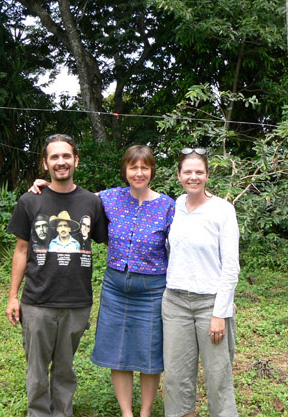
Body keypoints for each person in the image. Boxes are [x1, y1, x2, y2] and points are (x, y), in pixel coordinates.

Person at [30, 145, 175, 417]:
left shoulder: (168, 205)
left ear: (152, 170)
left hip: (153, 289)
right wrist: (47, 185)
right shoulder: (109, 198)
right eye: (133, 167)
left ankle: (144, 413)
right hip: (116, 286)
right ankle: (126, 413)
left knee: (149, 353)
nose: (139, 173)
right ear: (125, 170)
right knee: (118, 350)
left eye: (145, 167)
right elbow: (72, 197)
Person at [6, 134, 108, 417]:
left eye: (66, 156)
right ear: (45, 163)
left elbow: (108, 239)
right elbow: (21, 250)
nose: (60, 162)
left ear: (76, 160)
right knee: (36, 370)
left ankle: (62, 413)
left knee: (65, 368)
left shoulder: (92, 201)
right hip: (37, 301)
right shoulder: (30, 201)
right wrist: (13, 297)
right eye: (54, 157)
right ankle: (38, 413)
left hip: (77, 301)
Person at [162, 148, 240, 417]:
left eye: (199, 172)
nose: (193, 177)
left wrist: (221, 311)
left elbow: (231, 266)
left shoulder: (223, 210)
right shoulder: (174, 206)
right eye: (187, 172)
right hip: (175, 303)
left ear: (207, 175)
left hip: (210, 304)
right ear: (179, 175)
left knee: (218, 376)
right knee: (175, 377)